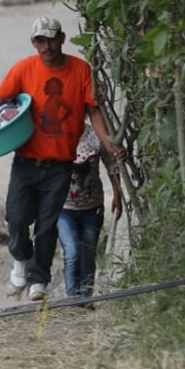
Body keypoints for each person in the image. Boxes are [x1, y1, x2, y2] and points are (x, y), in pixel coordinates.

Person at [0, 16, 125, 300]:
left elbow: (94, 111)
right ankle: (21, 259)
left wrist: (110, 143)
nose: (46, 47)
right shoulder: (23, 69)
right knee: (16, 217)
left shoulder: (81, 70)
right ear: (33, 43)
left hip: (60, 165)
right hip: (26, 160)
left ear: (62, 39)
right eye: (40, 41)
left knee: (47, 224)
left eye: (51, 39)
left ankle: (39, 279)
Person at [57, 123, 122, 302]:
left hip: (92, 207)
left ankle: (86, 298)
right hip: (63, 208)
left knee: (88, 254)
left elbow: (111, 165)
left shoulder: (96, 134)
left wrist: (117, 194)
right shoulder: (54, 132)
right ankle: (72, 297)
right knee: (71, 251)